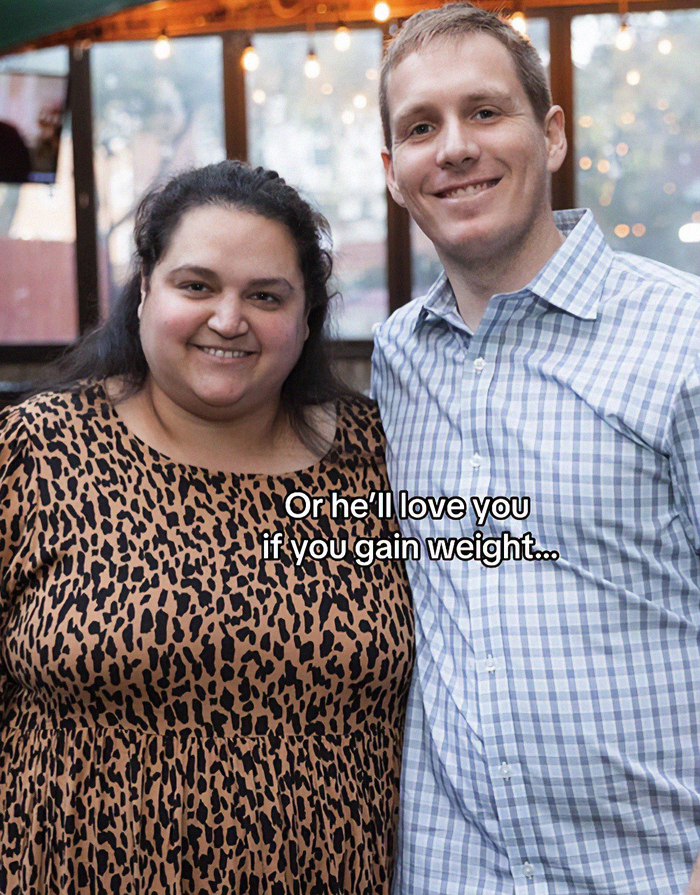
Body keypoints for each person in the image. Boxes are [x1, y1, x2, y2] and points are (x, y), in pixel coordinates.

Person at [0, 160, 414, 893]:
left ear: (307, 316)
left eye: (265, 295)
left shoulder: (380, 461)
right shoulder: (36, 450)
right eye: (196, 286)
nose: (228, 319)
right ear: (144, 292)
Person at [370, 5, 700, 894]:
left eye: (485, 111)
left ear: (551, 136)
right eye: (420, 127)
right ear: (393, 172)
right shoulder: (398, 359)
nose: (454, 148)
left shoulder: (685, 337)